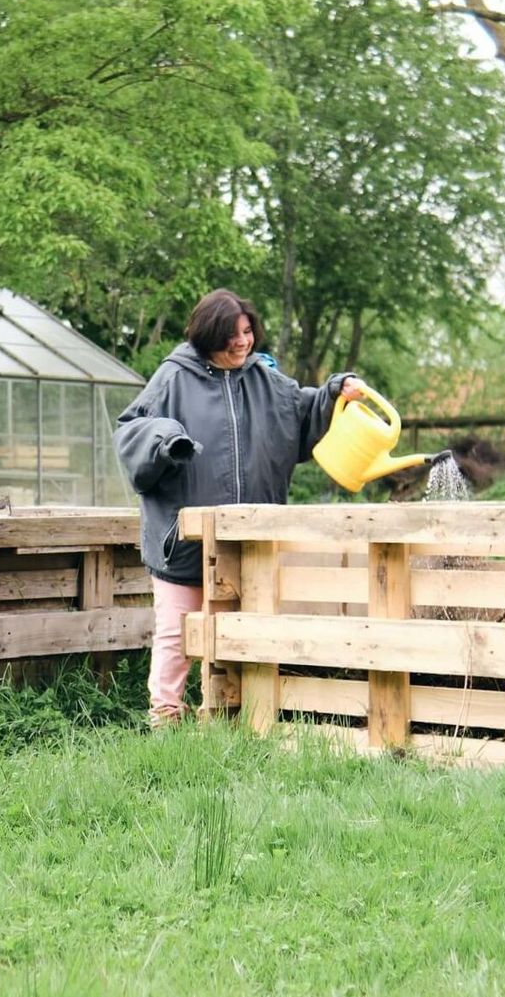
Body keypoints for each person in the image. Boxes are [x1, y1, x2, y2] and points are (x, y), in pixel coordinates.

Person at [114, 289, 366, 726]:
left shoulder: (263, 379)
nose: (241, 342)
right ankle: (166, 714)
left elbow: (303, 410)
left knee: (248, 627)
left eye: (247, 332)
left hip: (252, 539)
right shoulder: (174, 377)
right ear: (207, 335)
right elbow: (132, 429)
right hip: (184, 540)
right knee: (176, 632)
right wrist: (166, 440)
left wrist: (335, 389)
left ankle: (241, 714)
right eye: (230, 335)